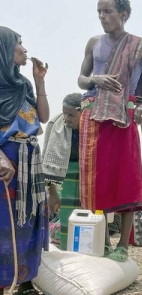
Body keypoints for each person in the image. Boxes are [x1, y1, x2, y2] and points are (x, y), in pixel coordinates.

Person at [77, 0, 142, 262]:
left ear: (124, 14)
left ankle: (123, 245)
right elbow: (81, 79)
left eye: (107, 11)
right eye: (99, 12)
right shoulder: (93, 43)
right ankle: (102, 240)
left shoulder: (140, 46)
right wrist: (95, 80)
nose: (102, 17)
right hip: (94, 116)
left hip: (123, 118)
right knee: (96, 179)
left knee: (126, 178)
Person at [0, 26, 50, 295]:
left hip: (29, 162)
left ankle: (25, 281)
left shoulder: (23, 85)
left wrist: (39, 82)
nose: (25, 48)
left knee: (29, 220)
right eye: (19, 43)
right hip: (4, 163)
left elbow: (41, 117)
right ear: (5, 49)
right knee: (3, 223)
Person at [42, 93, 83, 250]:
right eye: (64, 113)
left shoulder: (92, 127)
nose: (66, 119)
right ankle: (66, 250)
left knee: (89, 218)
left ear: (82, 111)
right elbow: (47, 162)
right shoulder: (55, 125)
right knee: (66, 219)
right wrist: (52, 194)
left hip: (87, 179)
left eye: (71, 115)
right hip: (64, 180)